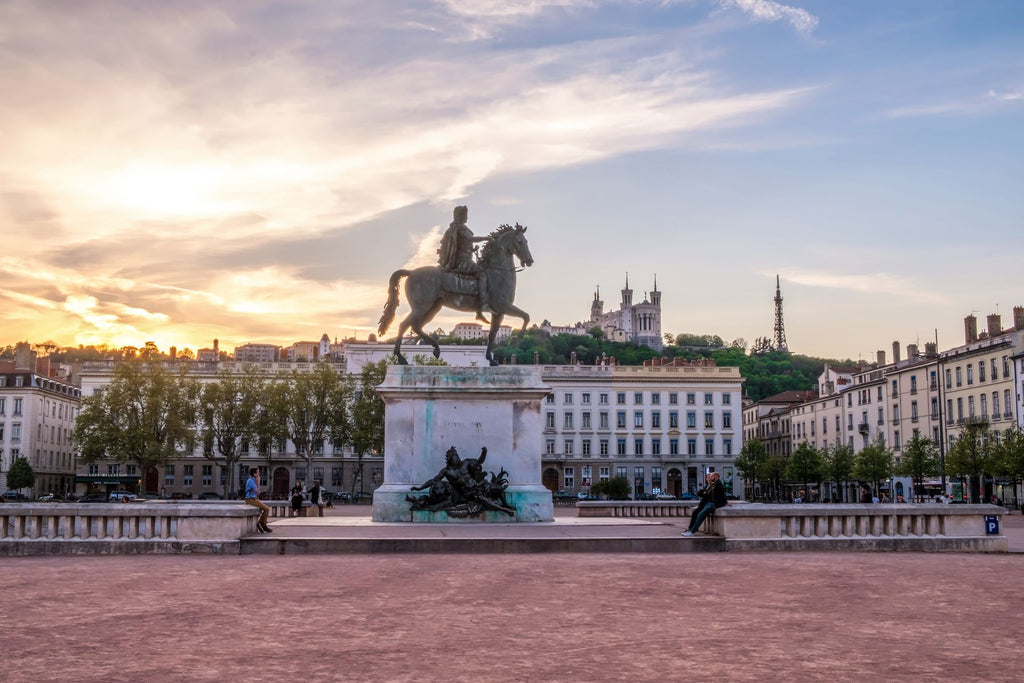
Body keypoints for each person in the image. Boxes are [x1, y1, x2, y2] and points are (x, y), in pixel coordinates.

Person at [438, 205, 491, 321]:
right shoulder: (460, 227)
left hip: (461, 260)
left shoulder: (453, 228)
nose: (467, 217)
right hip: (463, 262)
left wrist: (472, 250)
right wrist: (486, 238)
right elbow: (471, 239)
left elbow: (462, 245)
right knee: (482, 273)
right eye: (466, 215)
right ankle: (483, 304)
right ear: (461, 215)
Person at [681, 471, 727, 537]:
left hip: (712, 504)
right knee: (699, 514)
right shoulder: (714, 484)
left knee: (700, 515)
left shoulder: (718, 484)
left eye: (712, 476)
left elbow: (721, 495)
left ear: (716, 476)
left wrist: (723, 503)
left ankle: (692, 531)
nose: (711, 478)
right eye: (710, 477)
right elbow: (708, 493)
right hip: (710, 503)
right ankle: (691, 530)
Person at [244, 467, 273, 533]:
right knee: (266, 509)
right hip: (250, 499)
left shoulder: (252, 480)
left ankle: (261, 523)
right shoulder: (251, 481)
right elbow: (258, 492)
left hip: (254, 498)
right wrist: (258, 482)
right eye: (258, 472)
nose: (259, 474)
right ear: (254, 474)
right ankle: (263, 524)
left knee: (266, 508)